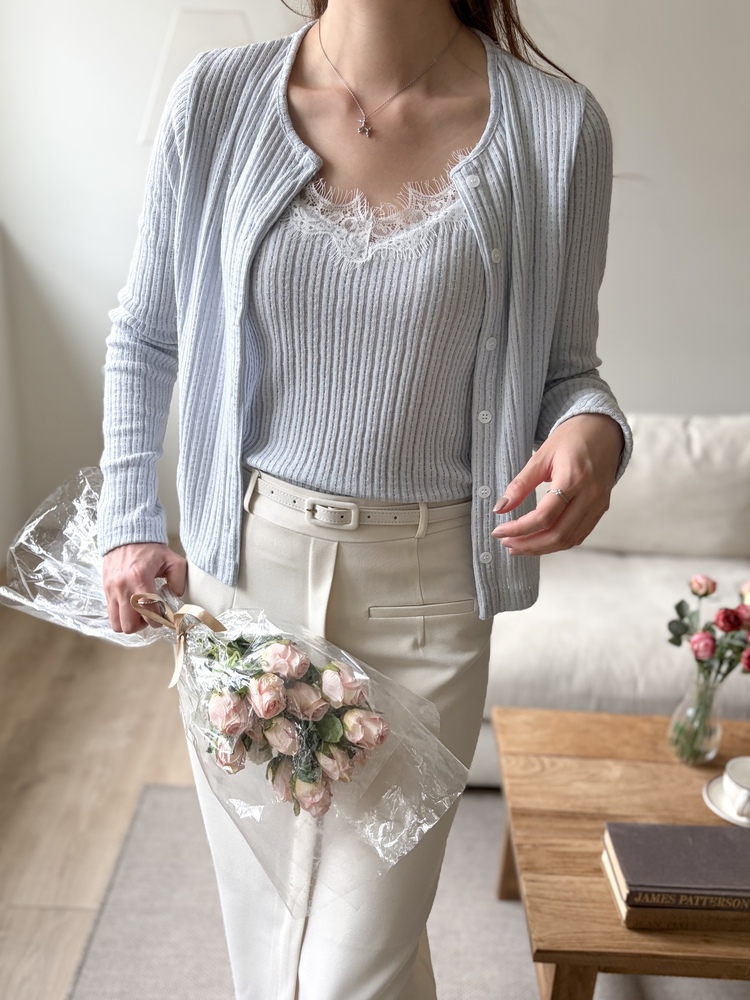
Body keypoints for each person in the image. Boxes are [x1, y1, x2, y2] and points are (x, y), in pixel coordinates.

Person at [100, 1, 632, 997]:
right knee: (275, 945)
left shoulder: (559, 130)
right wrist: (131, 520)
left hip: (428, 603)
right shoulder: (216, 101)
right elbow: (147, 332)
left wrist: (589, 434)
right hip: (243, 586)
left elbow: (569, 372)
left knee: (354, 964)